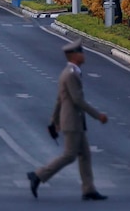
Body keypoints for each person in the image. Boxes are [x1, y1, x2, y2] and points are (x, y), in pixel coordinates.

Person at [27, 40, 109, 201]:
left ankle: (88, 189)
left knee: (85, 155)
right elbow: (77, 100)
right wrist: (98, 115)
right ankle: (38, 175)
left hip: (74, 120)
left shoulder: (71, 72)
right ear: (74, 56)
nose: (84, 55)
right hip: (72, 121)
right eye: (81, 52)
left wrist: (54, 122)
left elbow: (60, 99)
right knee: (70, 155)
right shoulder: (71, 74)